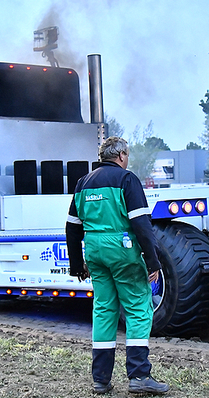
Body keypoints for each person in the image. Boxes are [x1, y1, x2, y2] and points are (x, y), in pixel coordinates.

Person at [65, 136, 169, 395]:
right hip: (123, 252)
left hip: (95, 253)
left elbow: (72, 226)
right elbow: (141, 224)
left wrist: (77, 264)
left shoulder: (83, 183)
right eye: (128, 155)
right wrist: (153, 261)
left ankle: (100, 380)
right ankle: (139, 375)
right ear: (121, 155)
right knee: (137, 309)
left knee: (103, 310)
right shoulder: (127, 179)